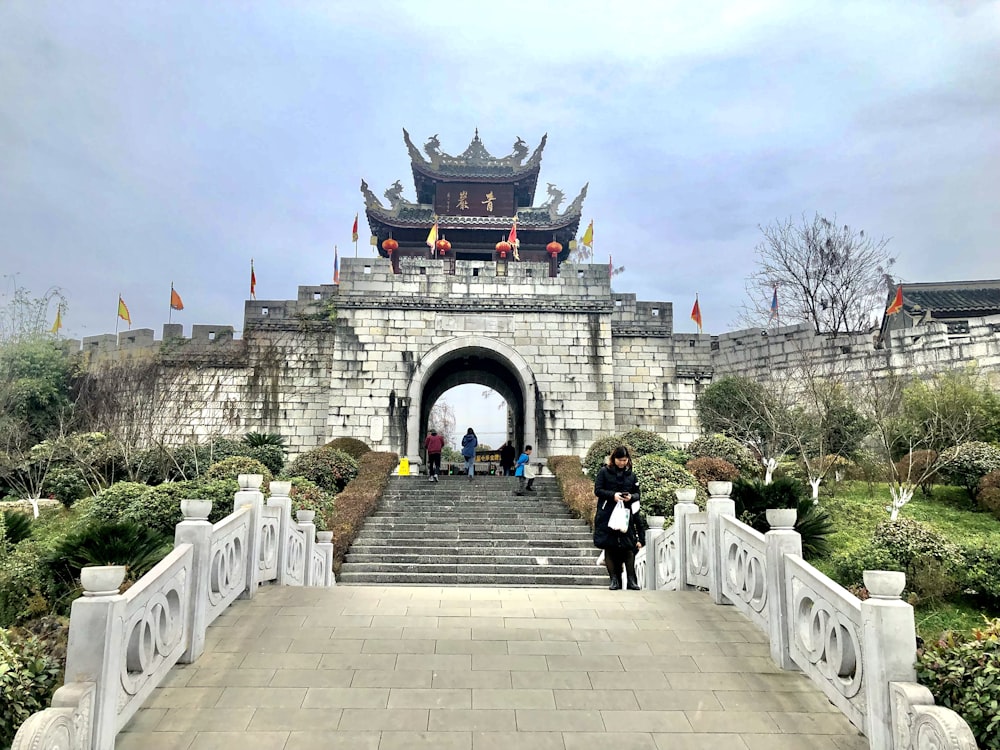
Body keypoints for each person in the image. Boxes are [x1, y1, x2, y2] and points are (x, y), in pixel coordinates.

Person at [593, 445, 643, 590]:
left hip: (626, 513)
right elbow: (598, 490)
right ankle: (613, 579)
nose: (622, 463)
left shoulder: (631, 475)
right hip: (608, 513)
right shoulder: (604, 472)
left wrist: (630, 497)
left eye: (625, 460)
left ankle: (632, 580)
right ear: (614, 459)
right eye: (620, 460)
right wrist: (613, 495)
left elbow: (637, 493)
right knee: (610, 547)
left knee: (628, 547)